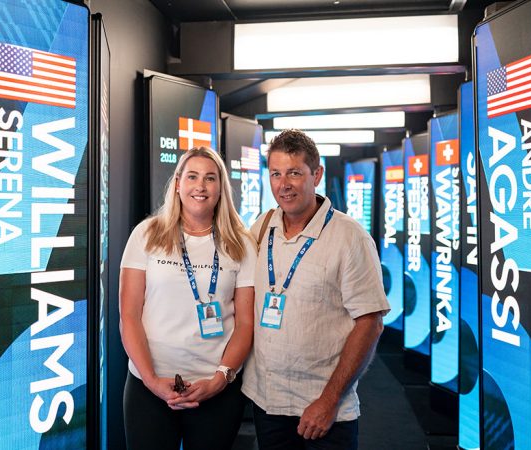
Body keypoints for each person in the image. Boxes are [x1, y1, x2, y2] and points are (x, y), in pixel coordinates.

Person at [242, 129, 390, 450]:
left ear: (317, 175)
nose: (284, 184)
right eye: (276, 174)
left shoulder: (350, 237)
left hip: (324, 410)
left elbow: (370, 323)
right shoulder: (262, 226)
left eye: (295, 172)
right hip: (267, 400)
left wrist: (329, 400)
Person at [120, 146, 256, 450]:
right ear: (178, 183)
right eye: (192, 176)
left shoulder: (241, 243)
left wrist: (220, 379)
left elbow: (246, 323)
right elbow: (129, 315)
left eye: (210, 178)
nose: (201, 186)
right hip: (148, 388)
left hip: (216, 390)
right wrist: (153, 380)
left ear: (221, 188)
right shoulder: (146, 235)